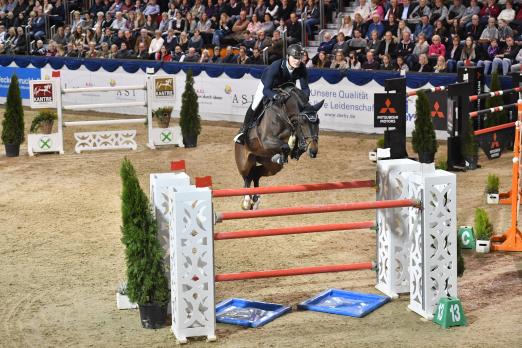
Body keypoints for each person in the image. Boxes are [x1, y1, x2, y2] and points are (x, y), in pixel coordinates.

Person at [234, 44, 310, 144]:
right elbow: (266, 90)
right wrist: (276, 96)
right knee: (255, 104)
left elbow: (305, 88)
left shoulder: (302, 67)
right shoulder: (276, 66)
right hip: (268, 85)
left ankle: (298, 135)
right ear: (288, 56)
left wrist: (304, 97)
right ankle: (243, 131)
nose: (297, 61)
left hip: (286, 86)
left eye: (299, 58)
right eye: (295, 58)